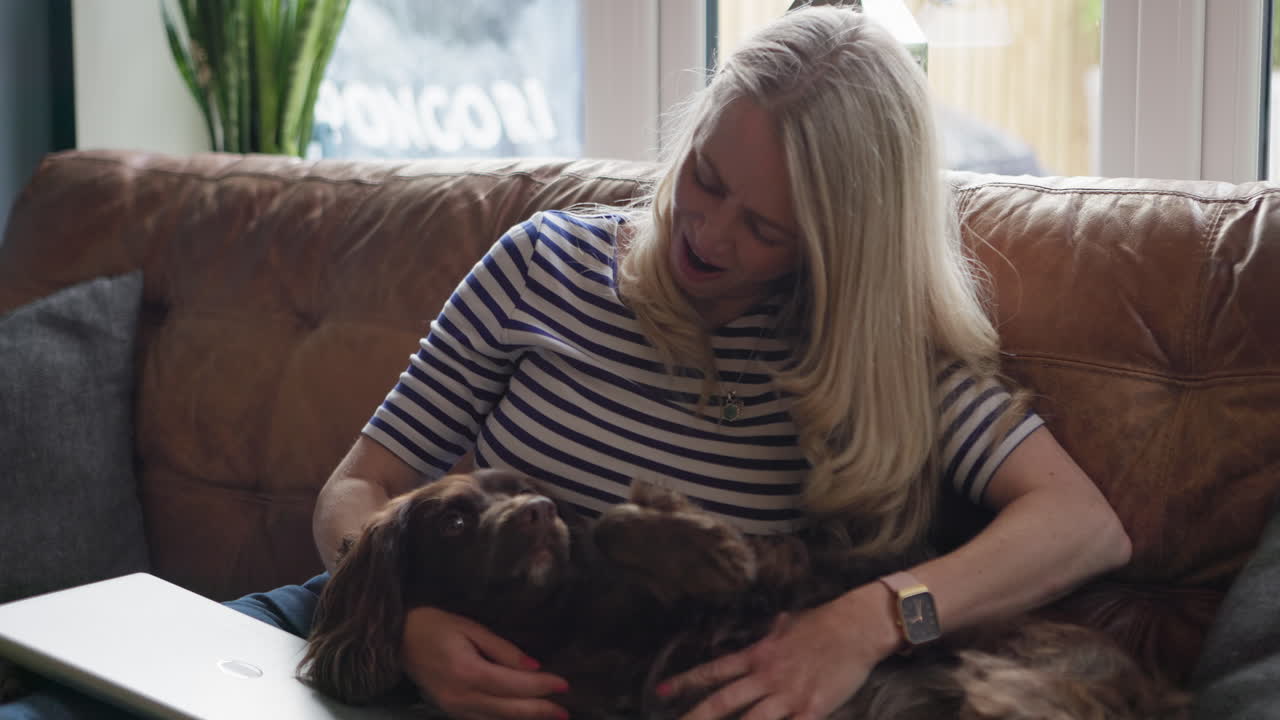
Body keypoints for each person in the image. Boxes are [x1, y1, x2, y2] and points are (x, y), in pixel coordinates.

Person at [0, 6, 1129, 720]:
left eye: (762, 228)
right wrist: (396, 619)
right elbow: (359, 489)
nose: (706, 232)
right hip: (371, 621)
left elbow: (1079, 524)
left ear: (836, 246)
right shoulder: (544, 259)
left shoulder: (865, 353)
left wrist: (865, 622)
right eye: (705, 179)